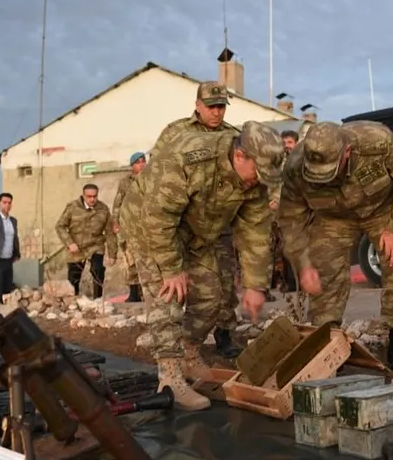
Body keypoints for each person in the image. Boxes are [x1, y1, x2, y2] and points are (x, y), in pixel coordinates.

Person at [119, 121, 286, 410]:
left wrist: (255, 284)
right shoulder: (189, 158)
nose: (258, 182)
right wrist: (171, 268)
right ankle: (169, 376)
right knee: (169, 294)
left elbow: (256, 232)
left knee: (212, 297)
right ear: (239, 156)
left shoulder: (254, 178)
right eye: (257, 173)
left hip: (197, 231)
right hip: (149, 225)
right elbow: (158, 217)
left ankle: (189, 354)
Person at [277, 121, 393, 373]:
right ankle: (327, 343)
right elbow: (292, 218)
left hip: (382, 211)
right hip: (333, 217)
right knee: (323, 269)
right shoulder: (295, 167)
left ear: (346, 152)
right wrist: (302, 264)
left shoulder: (376, 142)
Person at [146, 81, 244, 357]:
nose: (217, 112)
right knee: (179, 282)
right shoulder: (176, 132)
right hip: (180, 223)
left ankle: (225, 332)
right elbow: (158, 175)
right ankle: (176, 345)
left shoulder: (234, 136)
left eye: (222, 106)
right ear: (198, 106)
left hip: (217, 224)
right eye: (211, 106)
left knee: (224, 281)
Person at [54, 184, 117, 299]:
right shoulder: (73, 207)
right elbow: (60, 226)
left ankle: (98, 300)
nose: (92, 199)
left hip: (95, 245)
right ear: (83, 196)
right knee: (74, 276)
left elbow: (110, 233)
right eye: (89, 196)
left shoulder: (103, 209)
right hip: (76, 246)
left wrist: (112, 254)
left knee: (97, 270)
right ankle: (73, 301)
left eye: (95, 196)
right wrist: (70, 243)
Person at [111, 151, 147, 303]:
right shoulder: (125, 182)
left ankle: (149, 293)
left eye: (144, 161)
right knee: (131, 261)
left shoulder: (153, 178)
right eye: (138, 162)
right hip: (130, 227)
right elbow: (118, 204)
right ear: (132, 166)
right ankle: (134, 294)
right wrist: (116, 222)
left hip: (149, 227)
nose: (142, 164)